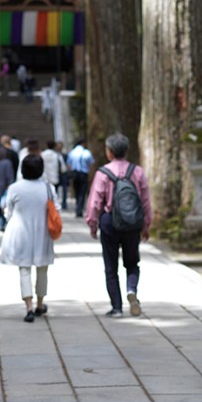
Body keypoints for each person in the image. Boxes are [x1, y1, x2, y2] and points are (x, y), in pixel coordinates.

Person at [85, 134, 152, 318]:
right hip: (132, 222)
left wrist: (92, 223)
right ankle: (132, 289)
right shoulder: (137, 171)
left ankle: (116, 307)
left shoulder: (103, 173)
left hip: (109, 222)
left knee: (110, 265)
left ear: (110, 152)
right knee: (132, 262)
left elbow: (95, 201)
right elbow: (145, 200)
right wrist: (146, 225)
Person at [1, 153, 57, 322]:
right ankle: (41, 304)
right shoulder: (48, 188)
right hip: (43, 232)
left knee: (24, 269)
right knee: (42, 268)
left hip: (21, 232)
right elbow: (56, 209)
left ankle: (29, 307)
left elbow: (8, 212)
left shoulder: (14, 188)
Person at [66, 139, 93, 217]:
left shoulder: (72, 152)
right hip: (83, 174)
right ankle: (79, 209)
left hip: (74, 173)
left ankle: (78, 207)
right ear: (83, 143)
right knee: (82, 192)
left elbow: (68, 164)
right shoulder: (86, 152)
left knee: (77, 191)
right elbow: (91, 165)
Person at [41, 140, 66, 210]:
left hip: (44, 179)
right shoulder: (57, 155)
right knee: (54, 195)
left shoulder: (42, 154)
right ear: (55, 146)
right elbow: (63, 168)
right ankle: (53, 209)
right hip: (55, 178)